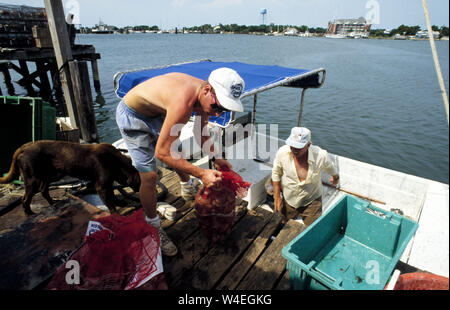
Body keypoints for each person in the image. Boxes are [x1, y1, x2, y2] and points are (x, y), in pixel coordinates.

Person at [116, 67, 245, 256]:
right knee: (149, 176)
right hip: (133, 117)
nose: (218, 113)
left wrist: (216, 158)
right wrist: (201, 173)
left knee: (177, 151)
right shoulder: (183, 103)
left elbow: (200, 132)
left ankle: (186, 186)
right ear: (208, 90)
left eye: (224, 109)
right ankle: (153, 226)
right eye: (218, 107)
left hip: (157, 112)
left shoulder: (204, 95)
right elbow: (161, 153)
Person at [271, 127, 339, 226]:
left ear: (308, 145)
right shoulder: (282, 152)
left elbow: (330, 168)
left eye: (298, 147)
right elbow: (276, 172)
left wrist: (336, 178)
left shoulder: (321, 155)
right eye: (292, 145)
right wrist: (277, 196)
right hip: (289, 198)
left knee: (314, 228)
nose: (294, 150)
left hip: (312, 200)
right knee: (283, 222)